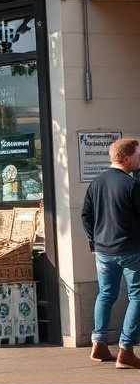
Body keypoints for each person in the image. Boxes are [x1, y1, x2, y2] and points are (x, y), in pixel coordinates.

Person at [81, 137, 140, 368]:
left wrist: (94, 242)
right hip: (131, 250)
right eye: (137, 154)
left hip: (104, 250)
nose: (139, 158)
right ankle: (126, 349)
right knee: (137, 296)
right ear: (125, 157)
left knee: (106, 294)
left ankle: (99, 344)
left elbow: (85, 214)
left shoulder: (96, 182)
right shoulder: (133, 185)